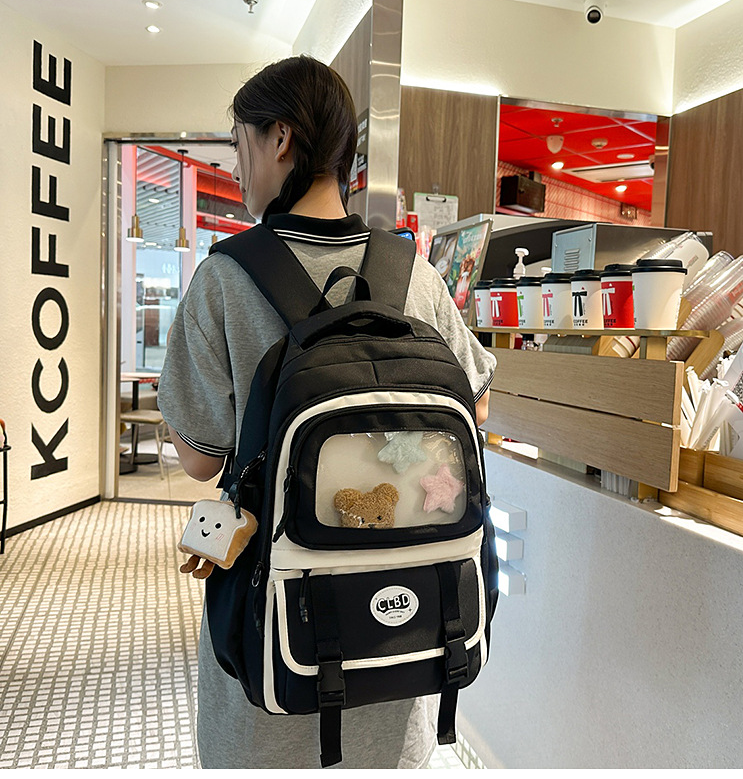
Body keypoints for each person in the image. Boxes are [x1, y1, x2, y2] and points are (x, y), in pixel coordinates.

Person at [157, 55, 496, 769]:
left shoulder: (224, 278)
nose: (239, 168)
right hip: (404, 634)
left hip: (278, 637)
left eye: (241, 144)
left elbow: (199, 459)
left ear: (280, 138)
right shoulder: (416, 274)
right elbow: (477, 401)